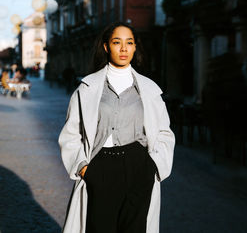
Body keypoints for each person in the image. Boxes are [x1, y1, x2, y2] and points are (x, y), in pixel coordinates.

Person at [58, 22, 175, 233]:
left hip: (139, 166)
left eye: (129, 43)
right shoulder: (87, 88)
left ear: (135, 47)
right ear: (106, 47)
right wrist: (84, 168)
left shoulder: (149, 89)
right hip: (99, 167)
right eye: (116, 42)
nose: (123, 49)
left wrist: (154, 166)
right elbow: (71, 133)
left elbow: (165, 132)